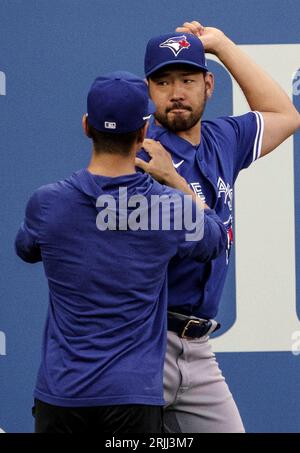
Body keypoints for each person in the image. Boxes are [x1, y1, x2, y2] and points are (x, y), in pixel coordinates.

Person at [15, 71, 228, 433]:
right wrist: (178, 184)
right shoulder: (171, 209)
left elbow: (27, 248)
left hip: (61, 396)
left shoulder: (47, 204)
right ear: (144, 133)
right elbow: (215, 239)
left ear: (86, 126)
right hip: (131, 400)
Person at [136, 22, 300, 433]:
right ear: (148, 90)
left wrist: (223, 45)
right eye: (164, 82)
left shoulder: (221, 138)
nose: (176, 92)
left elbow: (284, 114)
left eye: (188, 80)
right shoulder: (140, 155)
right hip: (143, 343)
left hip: (198, 348)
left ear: (209, 84)